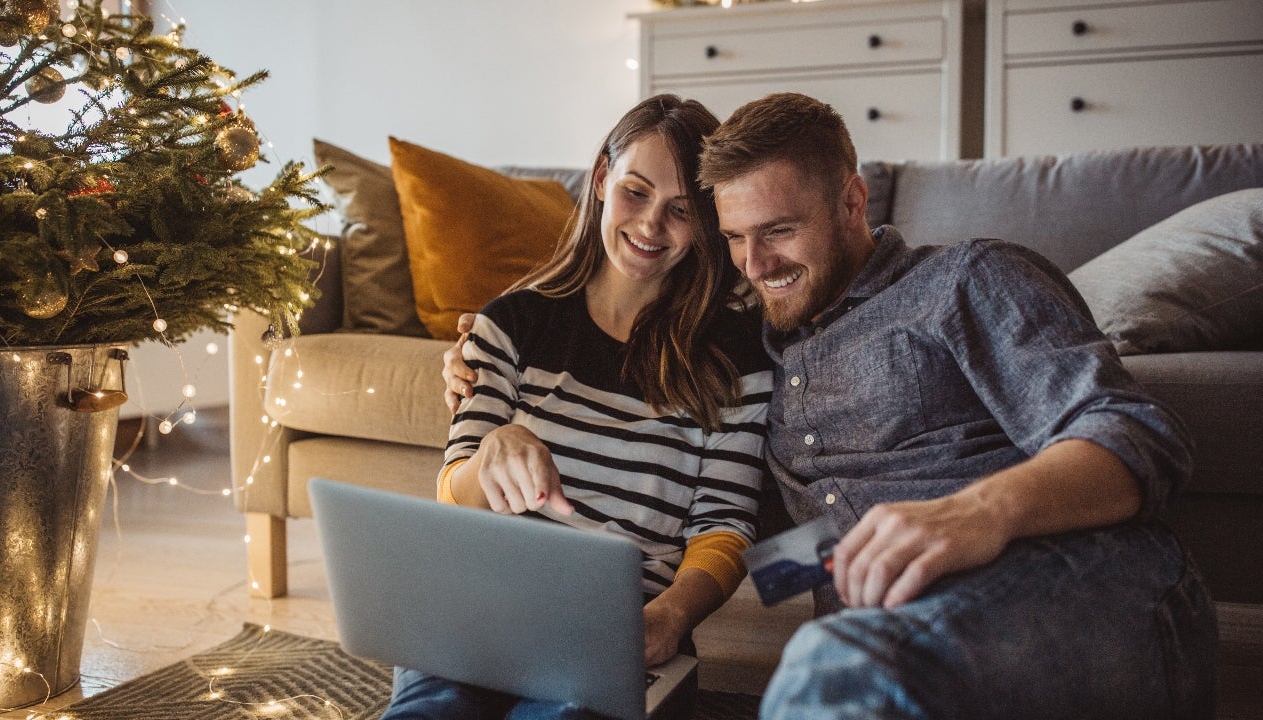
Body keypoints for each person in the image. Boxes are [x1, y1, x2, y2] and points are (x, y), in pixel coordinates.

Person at [446, 92, 1218, 719]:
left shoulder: (965, 282)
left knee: (830, 670)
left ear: (853, 201)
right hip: (895, 632)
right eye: (737, 239)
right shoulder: (764, 353)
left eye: (780, 231)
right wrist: (673, 609)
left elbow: (1140, 437)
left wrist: (974, 513)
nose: (757, 264)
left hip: (1065, 583)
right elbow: (760, 541)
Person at [384, 94, 773, 720]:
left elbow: (723, 526)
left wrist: (669, 617)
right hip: (478, 610)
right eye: (635, 192)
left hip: (622, 636)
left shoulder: (736, 358)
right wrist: (490, 454)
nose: (650, 226)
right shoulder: (511, 322)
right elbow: (453, 495)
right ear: (600, 180)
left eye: (680, 210)